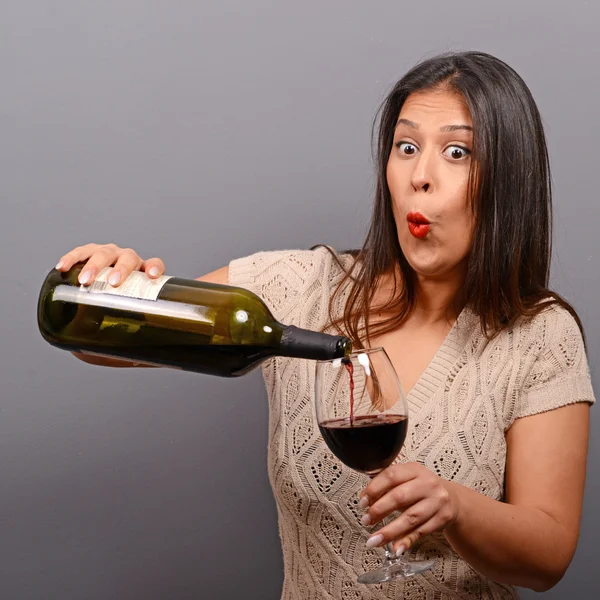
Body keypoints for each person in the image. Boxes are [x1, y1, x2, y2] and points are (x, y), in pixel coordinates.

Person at [54, 51, 595, 599]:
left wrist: (456, 507)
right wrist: (105, 287)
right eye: (406, 148)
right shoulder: (299, 288)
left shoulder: (540, 336)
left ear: (509, 180)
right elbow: (107, 346)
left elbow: (548, 556)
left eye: (457, 152)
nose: (419, 177)